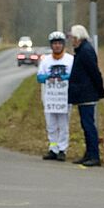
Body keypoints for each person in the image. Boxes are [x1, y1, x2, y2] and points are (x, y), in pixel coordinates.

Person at [67, 24, 104, 167]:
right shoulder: (82, 50)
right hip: (83, 93)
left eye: (72, 37)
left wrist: (99, 90)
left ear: (78, 38)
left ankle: (94, 155)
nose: (71, 40)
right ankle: (89, 153)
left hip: (87, 93)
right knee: (85, 124)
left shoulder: (85, 51)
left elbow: (94, 72)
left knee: (89, 125)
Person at [36, 31, 73, 161]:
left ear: (63, 44)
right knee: (51, 125)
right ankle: (53, 148)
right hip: (49, 98)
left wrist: (64, 77)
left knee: (63, 124)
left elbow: (74, 76)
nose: (57, 46)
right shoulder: (45, 60)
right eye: (54, 43)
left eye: (59, 43)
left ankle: (62, 149)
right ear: (51, 45)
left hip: (64, 97)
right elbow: (39, 77)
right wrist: (48, 77)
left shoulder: (70, 60)